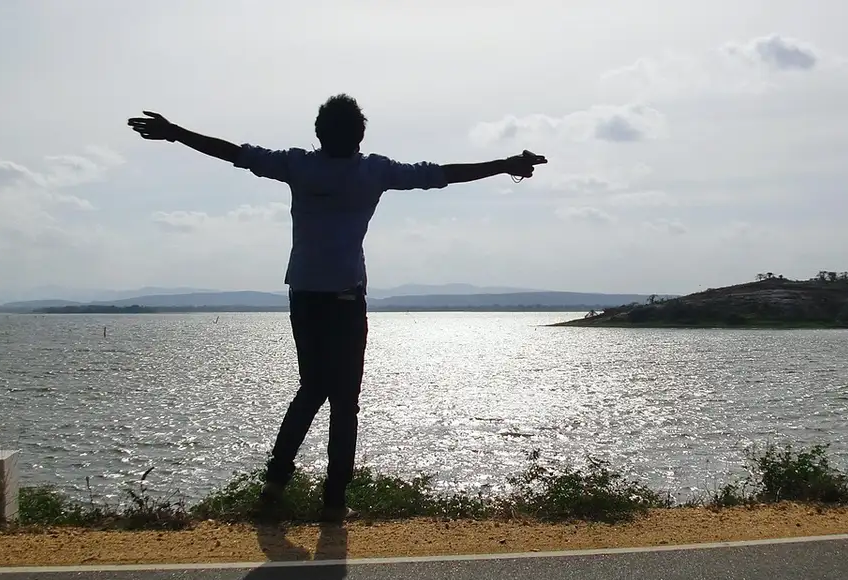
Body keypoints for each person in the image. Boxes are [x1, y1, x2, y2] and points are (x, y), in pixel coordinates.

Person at [127, 94, 547, 522]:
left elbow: (234, 153)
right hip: (346, 297)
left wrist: (175, 133)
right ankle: (333, 501)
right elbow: (442, 175)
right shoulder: (374, 171)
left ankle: (275, 484)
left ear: (319, 134)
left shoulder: (298, 165)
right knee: (345, 402)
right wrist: (505, 164)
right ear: (360, 136)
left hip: (305, 293)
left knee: (311, 390)